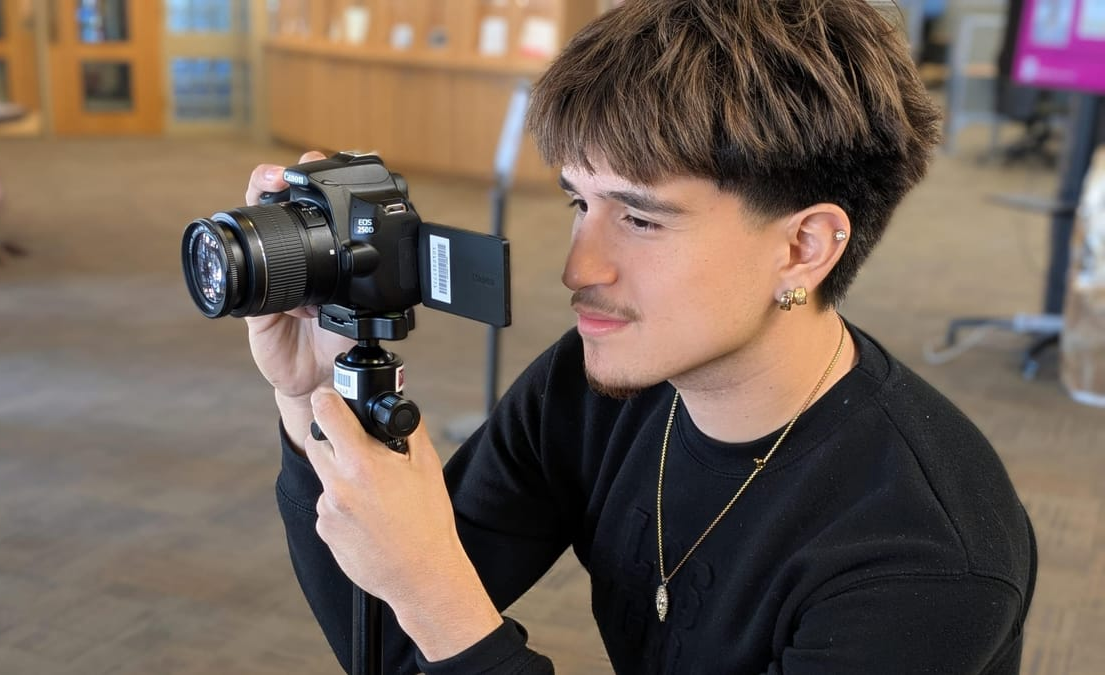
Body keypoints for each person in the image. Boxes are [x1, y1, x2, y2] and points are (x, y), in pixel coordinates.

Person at [245, 1, 1036, 672]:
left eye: (641, 217)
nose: (579, 267)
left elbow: (432, 613)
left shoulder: (927, 559)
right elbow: (389, 643)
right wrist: (311, 393)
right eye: (577, 204)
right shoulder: (591, 388)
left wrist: (437, 597)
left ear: (804, 246)